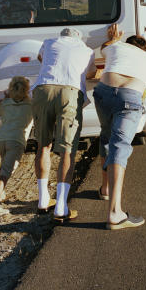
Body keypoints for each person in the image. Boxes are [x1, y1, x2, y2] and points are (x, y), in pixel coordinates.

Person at [89, 23, 146, 230]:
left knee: (106, 136)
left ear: (127, 44)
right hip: (129, 96)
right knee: (120, 145)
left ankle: (105, 189)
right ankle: (115, 213)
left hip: (104, 92)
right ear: (145, 49)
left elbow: (104, 48)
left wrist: (113, 39)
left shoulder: (117, 47)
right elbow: (144, 91)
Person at [31, 27, 95, 222]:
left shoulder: (49, 42)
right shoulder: (87, 50)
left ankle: (43, 200)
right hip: (70, 91)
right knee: (67, 151)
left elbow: (41, 59)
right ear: (79, 38)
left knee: (43, 146)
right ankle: (61, 206)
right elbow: (91, 73)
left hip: (43, 88)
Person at [0, 76, 34, 218]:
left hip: (1, 139)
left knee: (3, 166)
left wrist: (7, 94)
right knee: (5, 173)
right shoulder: (31, 105)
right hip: (16, 140)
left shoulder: (4, 103)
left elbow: (1, 98)